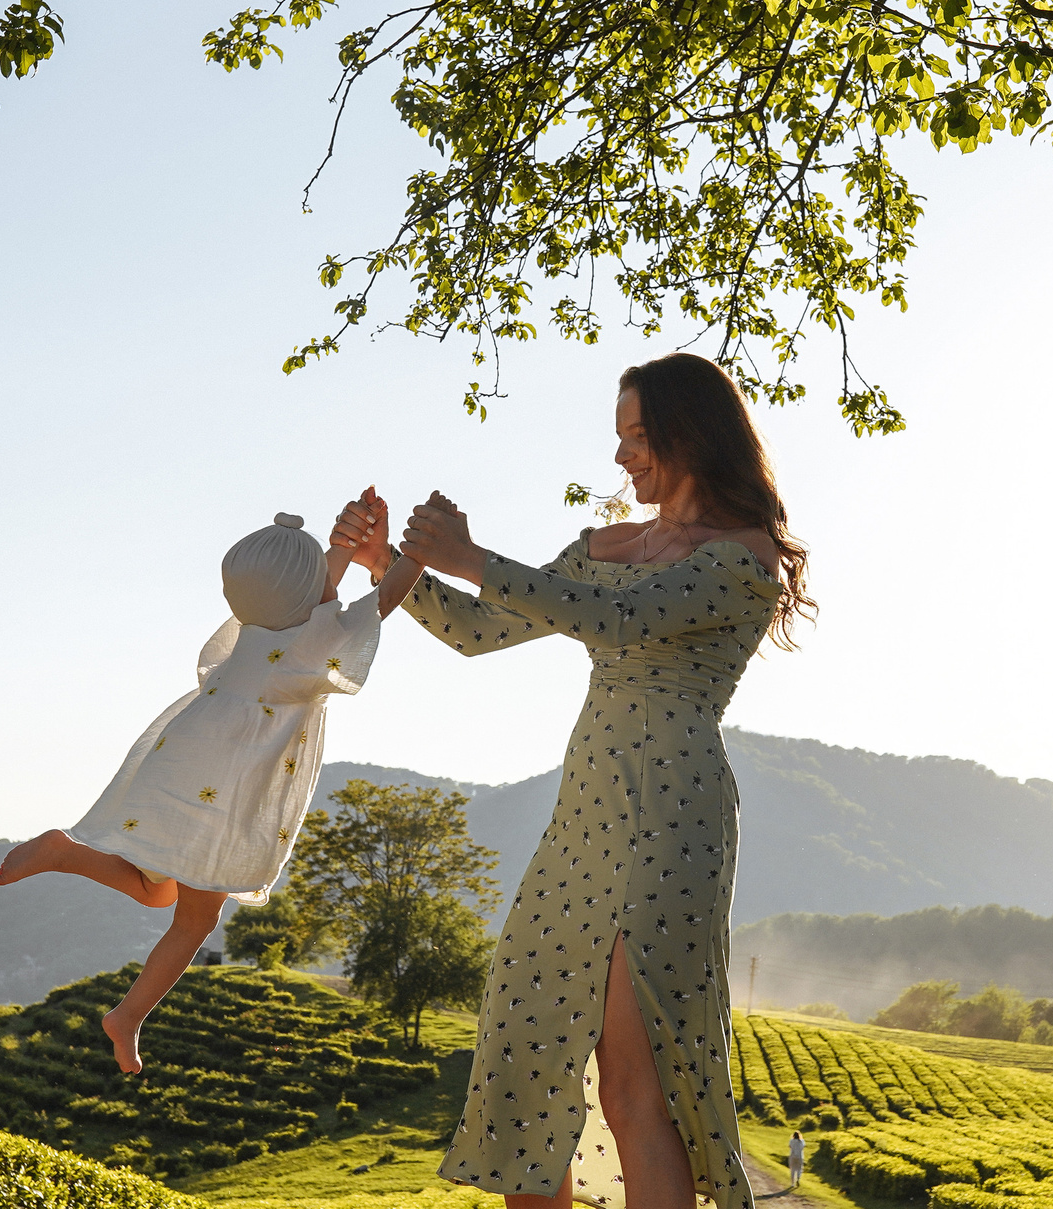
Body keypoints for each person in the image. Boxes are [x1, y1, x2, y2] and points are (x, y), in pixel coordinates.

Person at [336, 353, 813, 1209]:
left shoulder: (745, 561)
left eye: (639, 437)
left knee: (636, 1088)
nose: (624, 457)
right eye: (620, 438)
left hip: (674, 820)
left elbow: (617, 620)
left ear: (690, 433)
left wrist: (472, 551)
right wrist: (389, 565)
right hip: (583, 820)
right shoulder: (603, 546)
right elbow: (481, 631)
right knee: (521, 1064)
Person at [0, 496, 421, 1072]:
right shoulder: (309, 643)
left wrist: (345, 543)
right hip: (224, 783)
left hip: (189, 760)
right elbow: (387, 594)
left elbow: (313, 589)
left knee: (159, 891)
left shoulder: (258, 626)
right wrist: (419, 551)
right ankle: (128, 1016)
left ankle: (67, 853)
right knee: (195, 919)